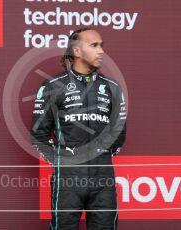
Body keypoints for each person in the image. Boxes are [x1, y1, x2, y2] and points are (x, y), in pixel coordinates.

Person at [31, 28, 127, 230]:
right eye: (94, 45)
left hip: (103, 178)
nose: (101, 51)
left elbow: (119, 133)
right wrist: (62, 161)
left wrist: (101, 157)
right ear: (76, 51)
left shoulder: (113, 87)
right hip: (68, 179)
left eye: (101, 45)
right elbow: (38, 134)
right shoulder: (52, 86)